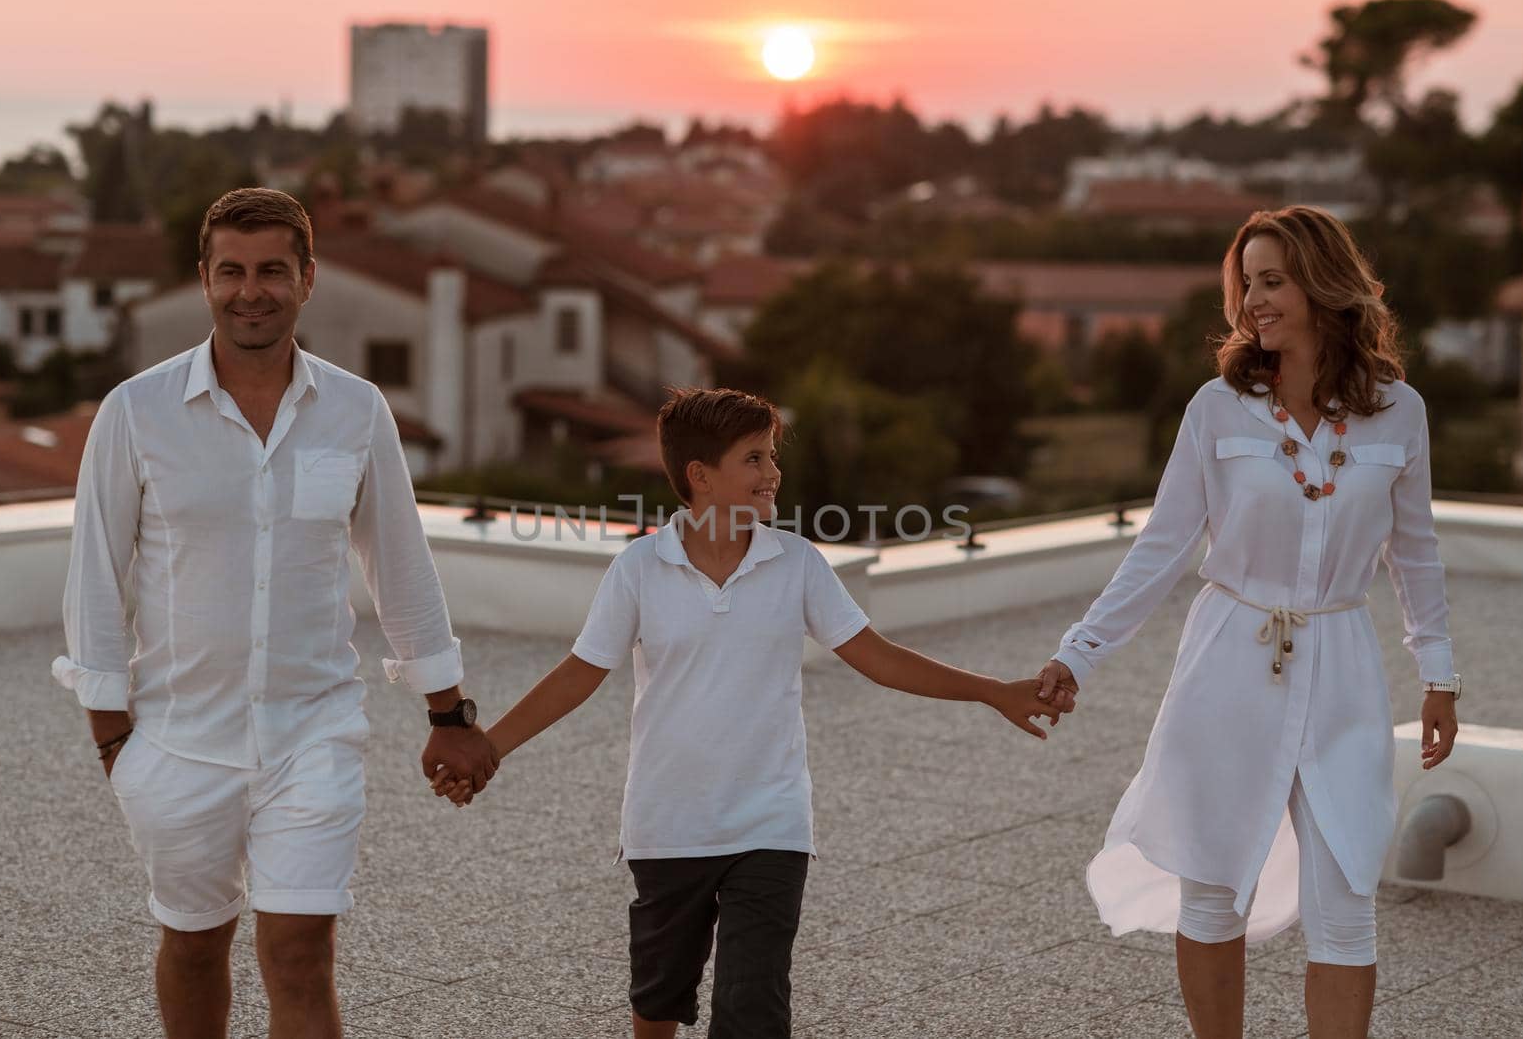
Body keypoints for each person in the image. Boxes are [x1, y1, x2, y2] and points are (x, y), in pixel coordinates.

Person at [436, 387, 1064, 1038]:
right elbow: (579, 674)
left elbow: (878, 657)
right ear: (700, 476)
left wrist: (994, 690)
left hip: (771, 820)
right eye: (754, 458)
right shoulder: (640, 570)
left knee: (753, 1005)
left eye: (771, 456)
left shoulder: (796, 564)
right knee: (658, 1001)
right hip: (669, 823)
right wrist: (488, 748)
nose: (773, 473)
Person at [53, 188, 497, 1039]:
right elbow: (95, 578)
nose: (249, 291)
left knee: (300, 955)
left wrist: (449, 711)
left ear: (307, 279)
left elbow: (399, 562)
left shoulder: (356, 409)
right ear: (205, 279)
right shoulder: (135, 413)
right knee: (194, 946)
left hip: (313, 734)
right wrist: (116, 742)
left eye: (271, 272)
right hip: (178, 740)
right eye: (231, 272)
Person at [1034, 205, 1459, 1039]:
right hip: (1229, 660)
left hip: (1341, 665)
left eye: (1272, 281)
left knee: (1346, 898)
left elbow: (1416, 553)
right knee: (1214, 888)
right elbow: (1160, 548)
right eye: (1246, 284)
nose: (1252, 302)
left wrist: (1437, 672)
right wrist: (1078, 654)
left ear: (1322, 284)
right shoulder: (1216, 409)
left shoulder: (1398, 411)